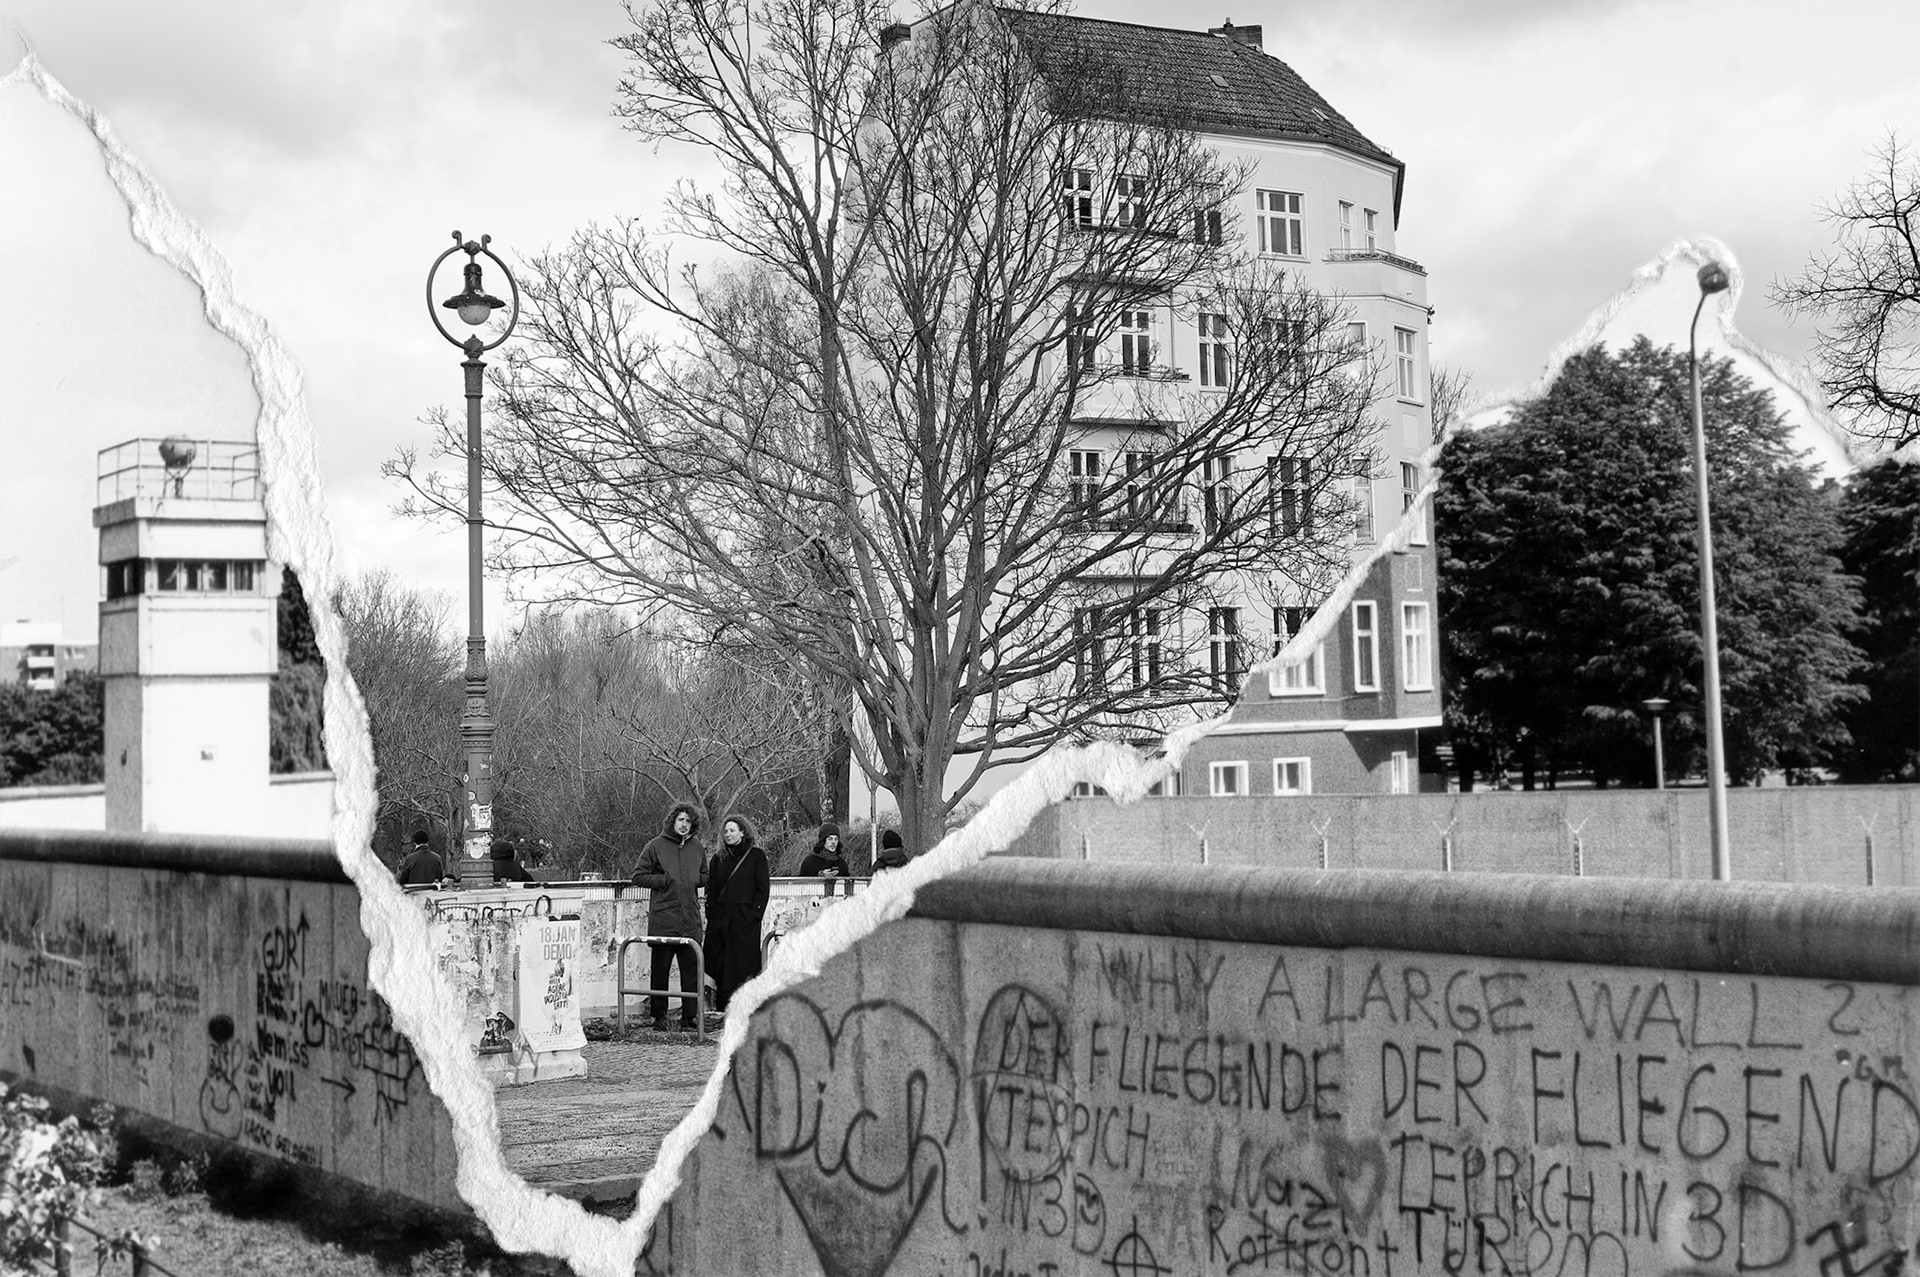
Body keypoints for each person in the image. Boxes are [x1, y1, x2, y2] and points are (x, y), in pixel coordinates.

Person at [631, 804, 707, 1031]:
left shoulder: (696, 847)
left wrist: (695, 881)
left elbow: (705, 874)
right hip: (664, 919)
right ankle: (659, 1016)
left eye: (689, 822)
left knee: (691, 971)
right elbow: (639, 876)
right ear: (672, 820)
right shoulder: (655, 846)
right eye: (681, 820)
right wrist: (664, 880)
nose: (684, 825)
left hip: (690, 918)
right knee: (661, 970)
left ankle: (690, 1016)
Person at [703, 814, 771, 1015]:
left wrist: (753, 915)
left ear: (743, 832)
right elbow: (712, 889)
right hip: (722, 919)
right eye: (725, 831)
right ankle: (723, 1007)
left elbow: (762, 889)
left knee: (744, 964)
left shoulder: (756, 856)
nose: (728, 834)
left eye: (732, 830)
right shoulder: (718, 858)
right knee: (722, 965)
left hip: (745, 920)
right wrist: (712, 914)